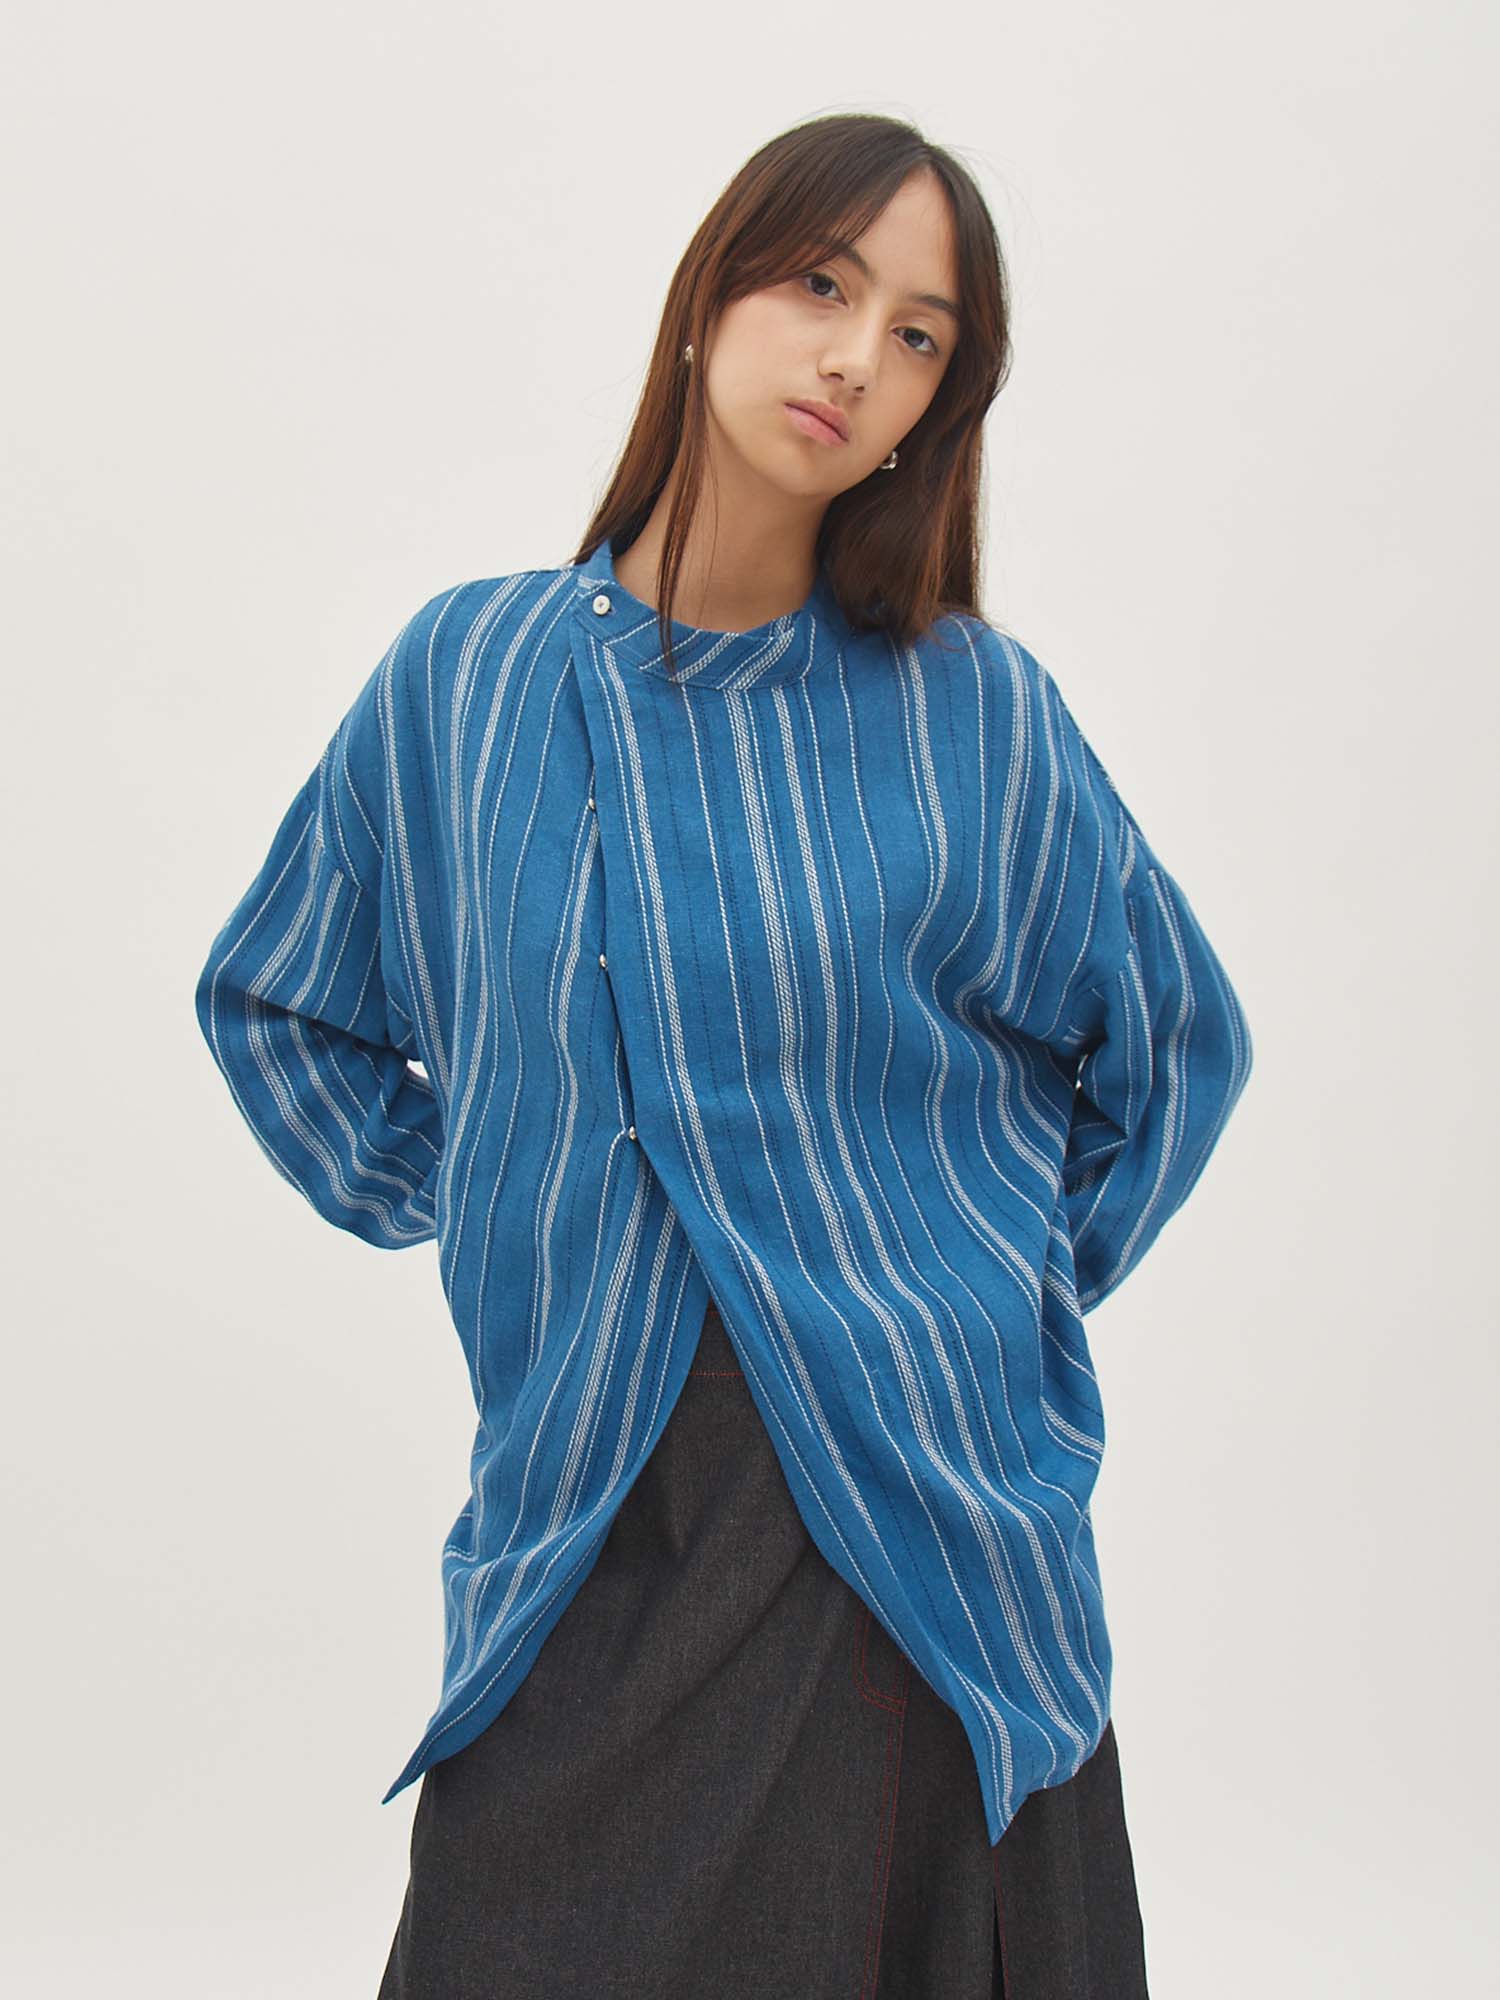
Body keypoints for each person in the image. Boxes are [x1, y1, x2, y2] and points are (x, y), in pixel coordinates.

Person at [194, 110, 1253, 1999]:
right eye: (822, 285)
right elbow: (280, 999)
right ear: (709, 299)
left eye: (919, 336)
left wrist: (981, 1291)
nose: (855, 357)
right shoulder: (471, 678)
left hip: (902, 1521)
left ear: (938, 407)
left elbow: (1176, 1044)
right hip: (587, 1489)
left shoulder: (970, 714)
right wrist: (498, 1197)